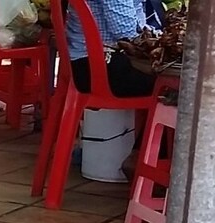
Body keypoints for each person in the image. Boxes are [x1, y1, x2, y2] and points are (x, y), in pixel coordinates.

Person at [63, 0, 155, 184]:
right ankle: (144, 160)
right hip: (100, 68)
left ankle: (144, 158)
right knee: (178, 86)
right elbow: (128, 33)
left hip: (87, 63)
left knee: (175, 81)